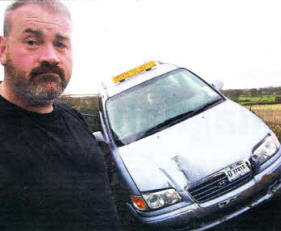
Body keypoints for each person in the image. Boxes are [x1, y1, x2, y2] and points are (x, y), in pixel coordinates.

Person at [0, 0, 122, 230]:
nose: (51, 57)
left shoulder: (71, 116)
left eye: (60, 44)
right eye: (32, 42)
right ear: (3, 50)